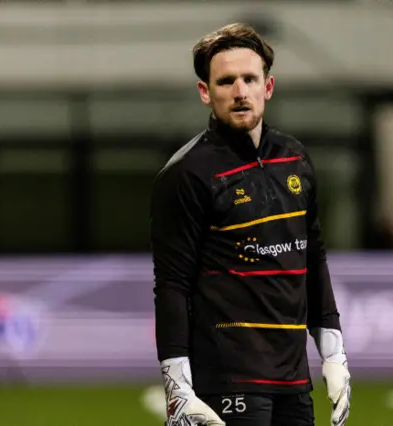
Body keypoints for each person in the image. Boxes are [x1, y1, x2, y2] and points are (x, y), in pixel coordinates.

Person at [151, 23, 351, 426]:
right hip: (227, 380)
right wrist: (177, 385)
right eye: (226, 81)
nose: (240, 91)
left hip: (294, 380)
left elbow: (313, 256)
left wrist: (333, 351)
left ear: (268, 86)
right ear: (206, 92)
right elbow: (171, 285)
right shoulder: (187, 173)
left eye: (249, 79)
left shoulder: (295, 159)